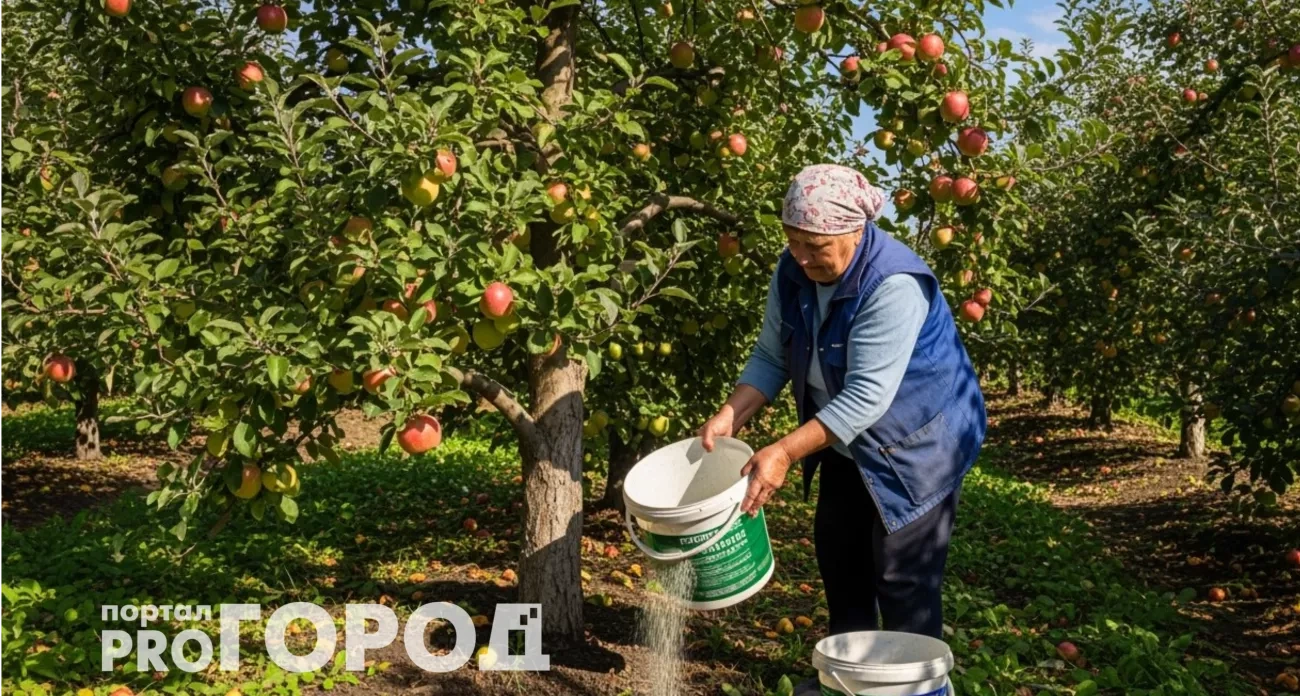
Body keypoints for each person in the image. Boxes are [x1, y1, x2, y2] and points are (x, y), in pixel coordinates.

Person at [698, 163, 986, 695]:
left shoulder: (893, 284)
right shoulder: (793, 272)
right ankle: (850, 683)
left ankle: (912, 687)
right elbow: (771, 356)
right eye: (792, 241)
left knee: (903, 577)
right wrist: (730, 414)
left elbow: (866, 397)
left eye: (814, 245)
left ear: (855, 231)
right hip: (846, 443)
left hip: (919, 445)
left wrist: (782, 452)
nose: (802, 257)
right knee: (841, 557)